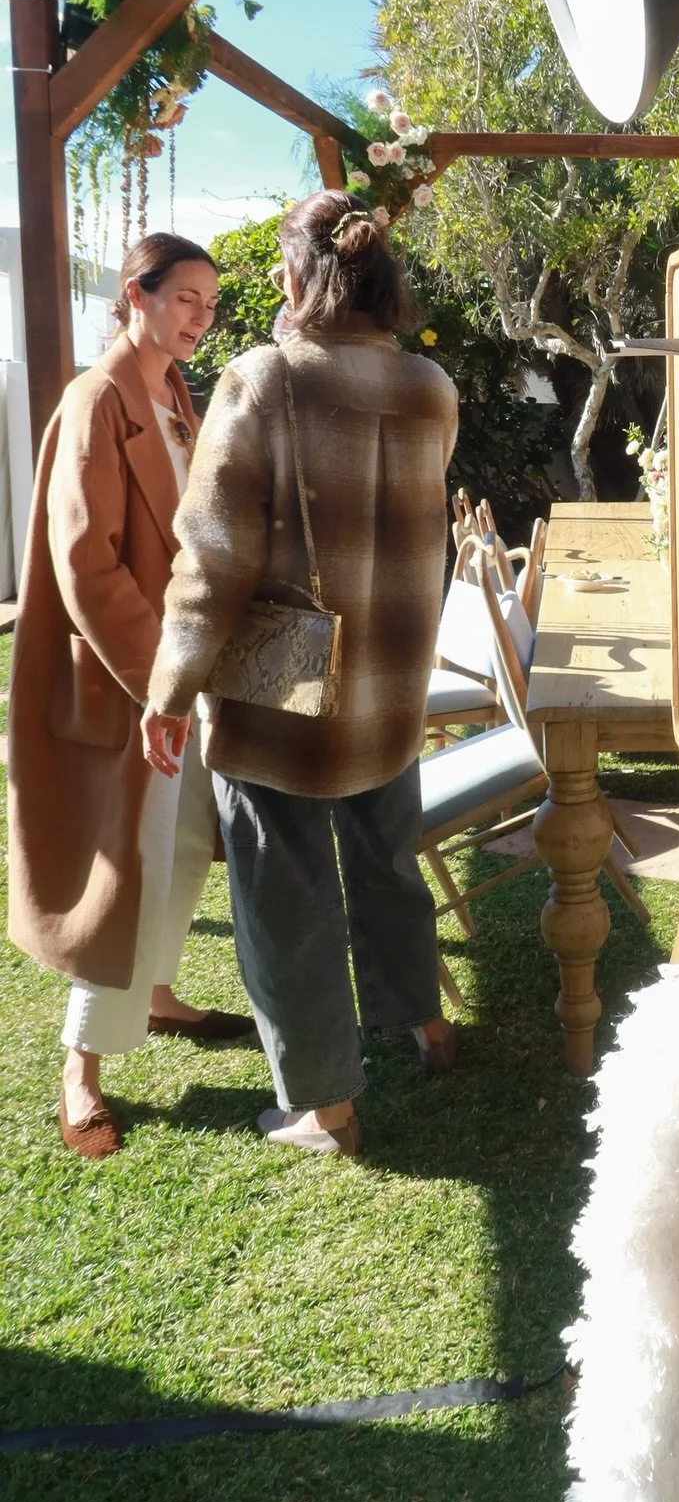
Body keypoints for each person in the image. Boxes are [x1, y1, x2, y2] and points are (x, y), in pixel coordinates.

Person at [144, 191, 460, 1157]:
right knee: (386, 856)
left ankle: (325, 1106)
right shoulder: (430, 387)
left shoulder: (260, 380)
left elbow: (211, 561)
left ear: (299, 275)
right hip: (390, 677)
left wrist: (169, 689)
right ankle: (425, 1022)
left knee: (286, 896)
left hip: (282, 690)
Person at [8, 233, 255, 1162]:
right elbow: (86, 565)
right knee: (130, 857)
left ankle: (155, 996)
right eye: (185, 296)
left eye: (209, 300)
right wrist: (162, 683)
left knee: (186, 835)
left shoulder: (177, 398)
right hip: (128, 678)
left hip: (184, 672)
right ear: (134, 295)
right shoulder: (95, 400)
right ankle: (81, 1067)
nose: (200, 315)